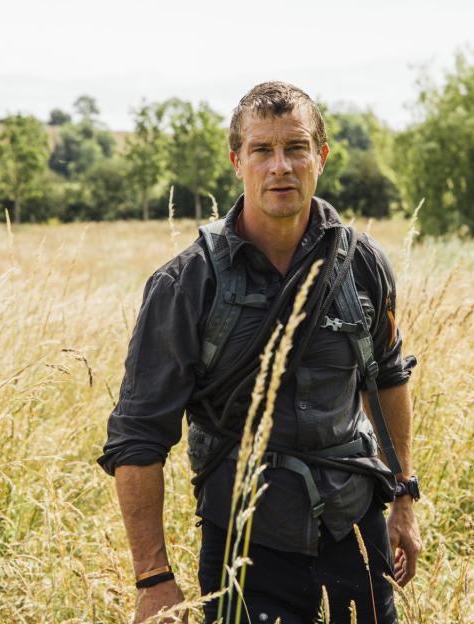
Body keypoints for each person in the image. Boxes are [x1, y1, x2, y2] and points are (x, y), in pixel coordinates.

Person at [99, 81, 422, 624]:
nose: (280, 167)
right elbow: (137, 437)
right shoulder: (188, 282)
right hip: (244, 548)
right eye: (262, 150)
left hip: (354, 530)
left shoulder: (361, 264)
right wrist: (153, 579)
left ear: (320, 156)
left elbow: (386, 377)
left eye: (295, 148)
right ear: (236, 160)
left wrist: (405, 499)